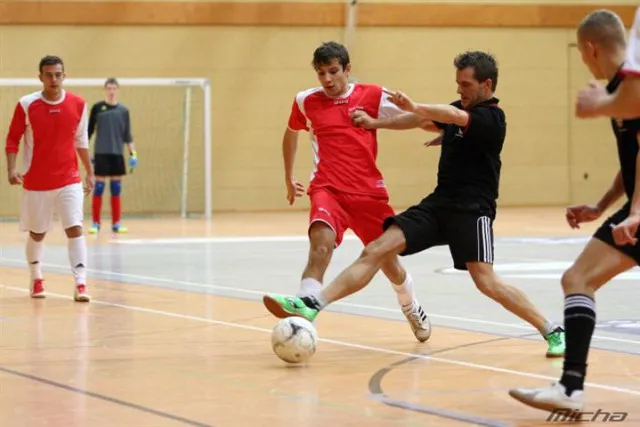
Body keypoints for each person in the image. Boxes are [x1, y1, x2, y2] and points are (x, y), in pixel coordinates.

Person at [263, 50, 566, 358]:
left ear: (486, 85)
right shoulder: (459, 107)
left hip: (472, 211)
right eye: (458, 83)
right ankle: (313, 303)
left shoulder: (492, 117)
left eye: (466, 84)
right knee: (376, 249)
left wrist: (416, 106)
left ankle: (552, 329)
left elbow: (453, 117)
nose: (459, 90)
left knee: (487, 282)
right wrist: (377, 122)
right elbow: (420, 120)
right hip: (438, 205)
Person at [509, 9, 640, 413]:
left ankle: (570, 389)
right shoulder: (620, 90)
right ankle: (570, 388)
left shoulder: (629, 89)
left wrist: (637, 210)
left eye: (582, 55)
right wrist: (601, 205)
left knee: (578, 278)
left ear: (589, 48)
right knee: (577, 279)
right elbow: (632, 158)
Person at [277, 41, 431, 342]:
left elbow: (419, 116)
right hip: (327, 188)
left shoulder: (373, 95)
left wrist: (443, 130)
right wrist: (288, 177)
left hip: (368, 195)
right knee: (320, 246)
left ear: (348, 69)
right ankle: (303, 318)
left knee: (388, 263)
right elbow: (291, 132)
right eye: (321, 73)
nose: (327, 79)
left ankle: (410, 305)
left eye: (333, 71)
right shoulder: (306, 100)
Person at [5, 55, 94, 302]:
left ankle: (81, 283)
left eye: (58, 74)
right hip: (36, 183)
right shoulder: (26, 104)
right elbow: (12, 139)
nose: (54, 79)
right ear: (40, 77)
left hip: (69, 180)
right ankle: (36, 278)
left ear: (64, 76)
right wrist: (11, 169)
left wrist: (89, 171)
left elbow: (81, 141)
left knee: (75, 228)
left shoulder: (78, 104)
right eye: (49, 75)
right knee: (38, 233)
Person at [88, 77, 136, 234]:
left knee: (116, 188)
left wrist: (133, 154)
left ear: (117, 90)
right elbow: (88, 132)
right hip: (101, 153)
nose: (111, 91)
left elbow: (127, 134)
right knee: (99, 188)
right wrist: (85, 153)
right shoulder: (97, 108)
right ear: (105, 90)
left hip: (117, 153)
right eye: (109, 88)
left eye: (114, 88)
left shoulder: (123, 111)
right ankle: (95, 223)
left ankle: (116, 223)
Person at [576, 7, 640, 119]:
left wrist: (597, 105)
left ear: (590, 49)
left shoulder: (627, 90)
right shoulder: (615, 88)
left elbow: (636, 100)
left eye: (581, 50)